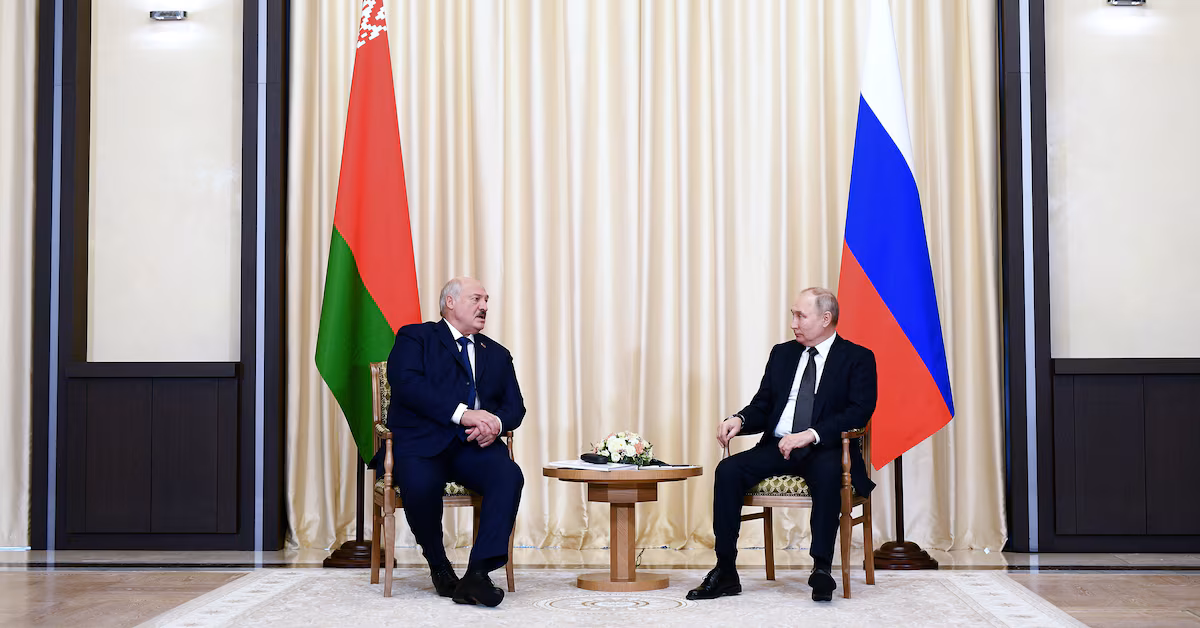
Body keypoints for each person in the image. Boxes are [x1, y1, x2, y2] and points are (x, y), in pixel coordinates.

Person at [688, 287, 877, 603]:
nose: (793, 323)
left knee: (829, 474)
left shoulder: (857, 358)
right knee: (728, 470)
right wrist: (740, 419)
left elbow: (859, 411)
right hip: (777, 446)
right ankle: (725, 570)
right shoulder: (783, 354)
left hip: (825, 448)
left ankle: (821, 568)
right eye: (793, 315)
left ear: (826, 318)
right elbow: (763, 405)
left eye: (801, 316)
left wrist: (811, 433)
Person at [385, 276, 525, 607]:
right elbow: (407, 385)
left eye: (487, 300)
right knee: (421, 485)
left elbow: (515, 407)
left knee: (509, 475)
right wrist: (464, 414)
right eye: (476, 299)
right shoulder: (416, 337)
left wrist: (494, 424)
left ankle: (478, 574)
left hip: (473, 447)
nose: (485, 306)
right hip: (422, 444)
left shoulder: (497, 353)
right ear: (450, 302)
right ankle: (439, 566)